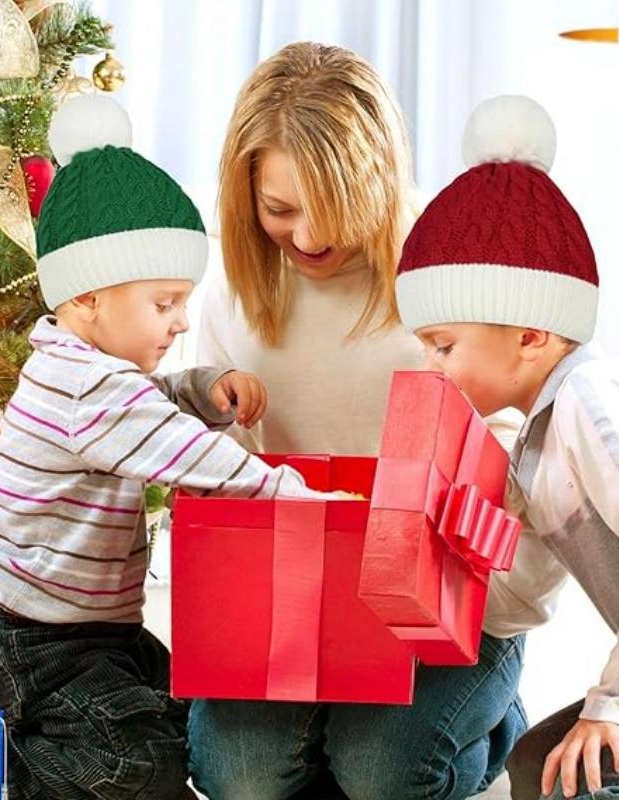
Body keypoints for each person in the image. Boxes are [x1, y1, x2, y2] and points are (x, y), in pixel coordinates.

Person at [0, 95, 336, 800]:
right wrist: (294, 495)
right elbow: (187, 454)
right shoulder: (86, 387)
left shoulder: (86, 372)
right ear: (87, 298)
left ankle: (44, 736)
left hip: (92, 626)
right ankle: (3, 767)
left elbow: (148, 406)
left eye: (182, 302)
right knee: (141, 765)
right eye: (163, 304)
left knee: (186, 718)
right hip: (35, 636)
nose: (181, 321)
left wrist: (201, 388)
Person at [189, 43, 528, 800]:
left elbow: (512, 444)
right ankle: (333, 738)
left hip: (436, 591)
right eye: (280, 210)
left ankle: (494, 721)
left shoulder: (450, 266)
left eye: (333, 208)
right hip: (295, 587)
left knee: (381, 776)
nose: (309, 237)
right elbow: (221, 466)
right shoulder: (235, 292)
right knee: (236, 776)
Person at [394, 94, 619, 800]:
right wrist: (442, 563)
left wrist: (612, 705)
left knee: (587, 780)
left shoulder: (591, 403)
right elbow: (521, 600)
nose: (431, 367)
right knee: (535, 764)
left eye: (444, 345)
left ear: (531, 335)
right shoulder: (535, 447)